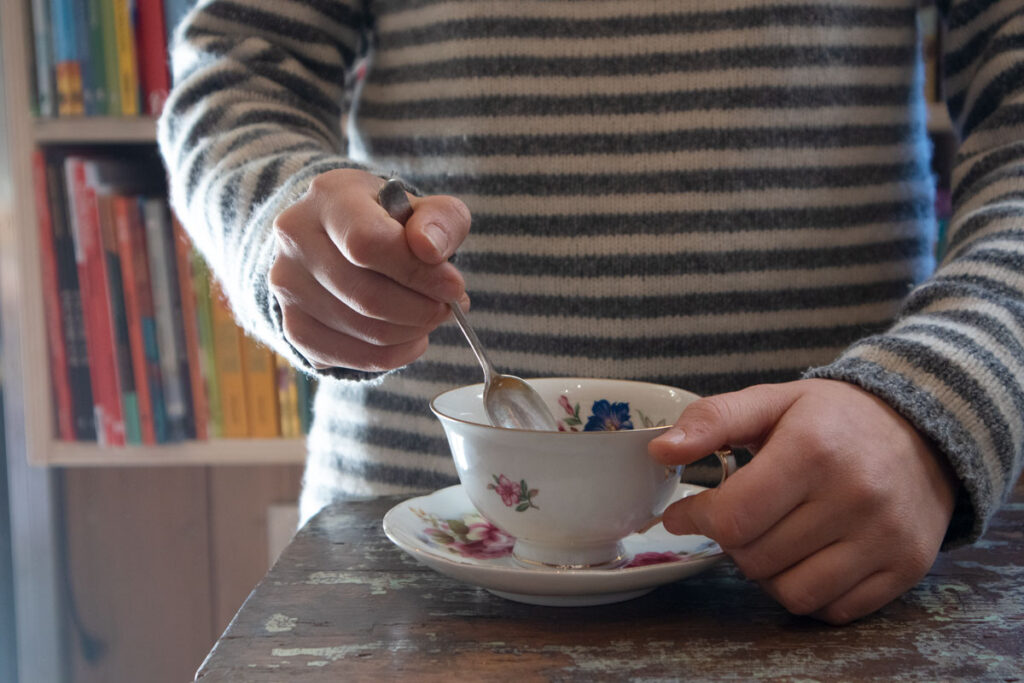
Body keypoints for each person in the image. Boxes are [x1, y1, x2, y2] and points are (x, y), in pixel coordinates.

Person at [158, 1, 1024, 625]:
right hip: (414, 582)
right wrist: (288, 226)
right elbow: (235, 72)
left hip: (841, 547)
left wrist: (932, 399)